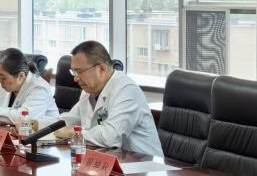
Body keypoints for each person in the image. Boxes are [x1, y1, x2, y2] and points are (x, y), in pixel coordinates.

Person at [34, 41, 162, 156]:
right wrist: (37, 124)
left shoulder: (126, 90)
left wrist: (72, 133)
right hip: (108, 160)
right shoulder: (89, 91)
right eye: (74, 72)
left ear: (101, 69)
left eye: (79, 71)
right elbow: (70, 119)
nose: (76, 78)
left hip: (143, 165)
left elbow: (110, 136)